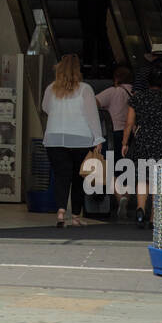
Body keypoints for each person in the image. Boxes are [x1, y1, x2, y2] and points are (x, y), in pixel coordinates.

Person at [40, 54, 104, 227]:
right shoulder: (85, 89)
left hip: (54, 139)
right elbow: (92, 116)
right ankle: (75, 214)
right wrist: (98, 138)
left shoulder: (50, 88)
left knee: (61, 176)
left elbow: (45, 108)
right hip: (80, 139)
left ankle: (61, 211)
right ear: (78, 70)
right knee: (78, 178)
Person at [124, 62, 162, 229]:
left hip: (143, 140)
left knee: (143, 176)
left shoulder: (137, 99)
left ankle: (140, 208)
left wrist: (124, 143)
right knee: (160, 179)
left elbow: (129, 123)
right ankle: (153, 217)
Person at [95, 63, 134, 218]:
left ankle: (120, 198)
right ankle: (126, 197)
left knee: (111, 169)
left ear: (116, 78)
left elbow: (94, 103)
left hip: (115, 134)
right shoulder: (136, 92)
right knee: (128, 169)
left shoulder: (113, 91)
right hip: (132, 135)